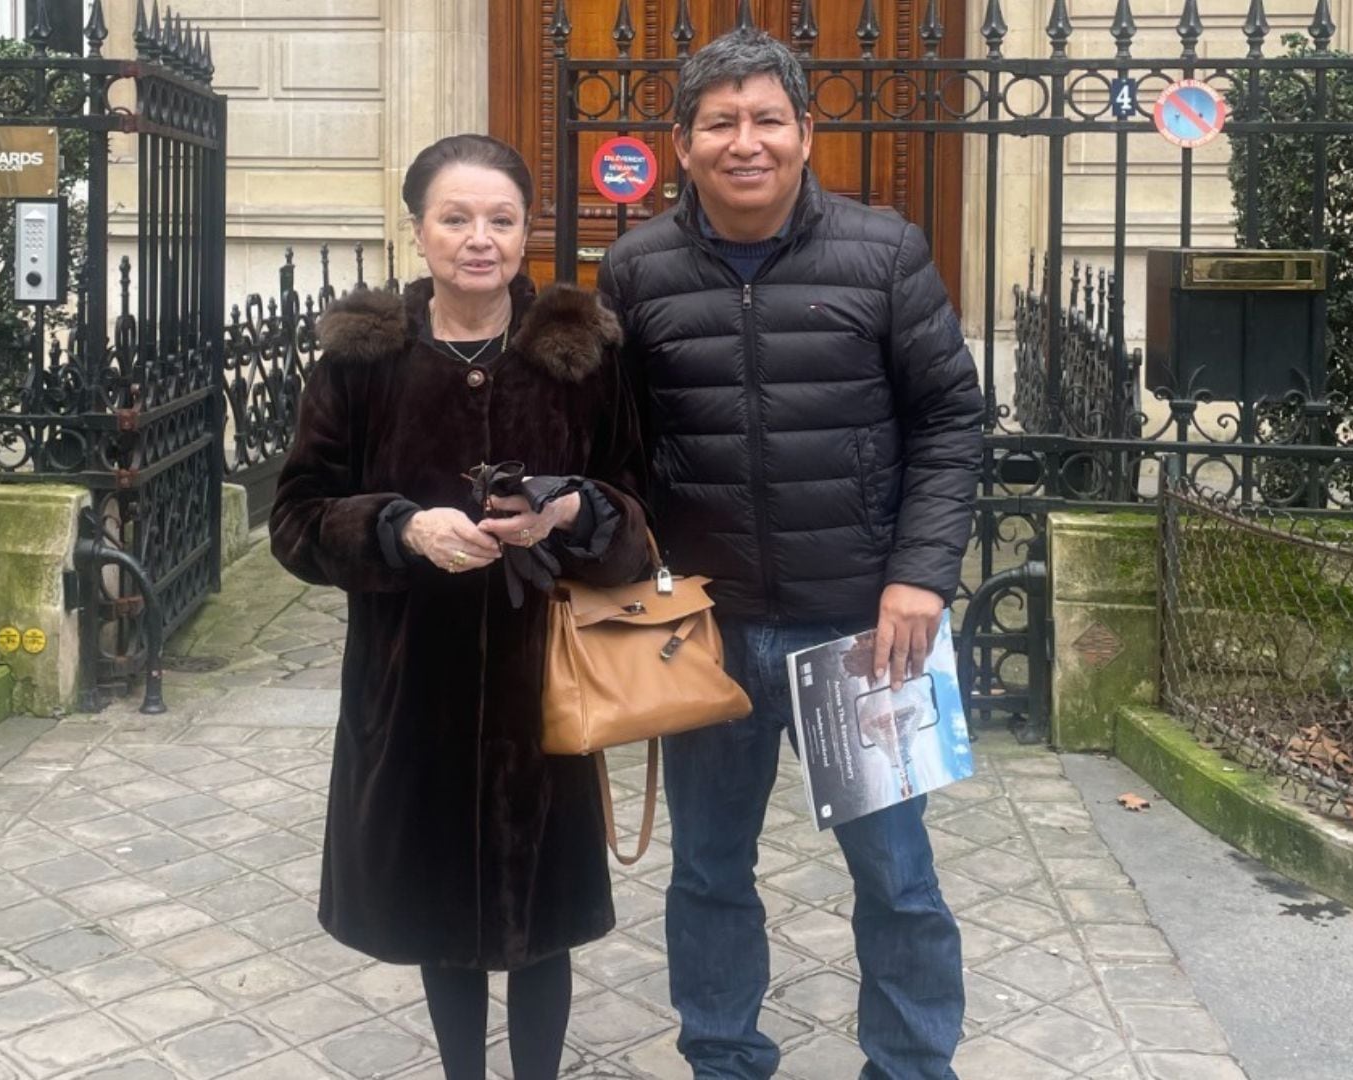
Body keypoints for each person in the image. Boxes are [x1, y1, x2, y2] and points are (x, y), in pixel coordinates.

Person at [595, 27, 985, 1080]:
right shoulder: (634, 271)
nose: (746, 142)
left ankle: (909, 1064)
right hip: (703, 637)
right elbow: (610, 448)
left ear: (807, 133)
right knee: (710, 873)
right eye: (720, 122)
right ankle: (723, 1057)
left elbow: (951, 421)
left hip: (860, 630)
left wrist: (920, 574)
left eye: (769, 119)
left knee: (896, 877)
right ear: (682, 143)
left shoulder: (883, 250)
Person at [269, 134, 651, 1080]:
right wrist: (399, 529)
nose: (479, 239)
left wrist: (574, 511)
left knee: (543, 918)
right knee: (441, 914)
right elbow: (295, 519)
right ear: (418, 228)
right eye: (455, 218)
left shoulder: (580, 353)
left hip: (545, 681)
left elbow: (640, 509)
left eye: (501, 219)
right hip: (413, 681)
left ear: (527, 231)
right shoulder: (363, 361)